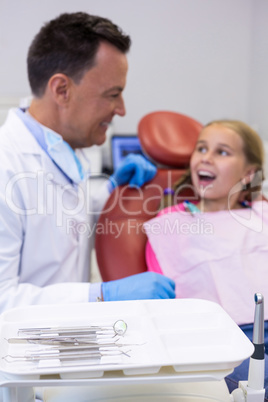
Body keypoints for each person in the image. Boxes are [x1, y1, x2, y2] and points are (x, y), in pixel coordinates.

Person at [0, 12, 176, 314]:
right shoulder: (8, 165)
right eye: (112, 95)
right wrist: (102, 295)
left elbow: (61, 221)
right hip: (19, 354)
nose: (121, 110)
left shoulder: (67, 148)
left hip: (70, 338)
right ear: (62, 90)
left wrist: (109, 189)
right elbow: (3, 299)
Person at [144, 119, 268, 397]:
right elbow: (161, 298)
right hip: (224, 339)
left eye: (222, 152)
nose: (206, 158)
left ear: (248, 173)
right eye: (201, 148)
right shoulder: (170, 222)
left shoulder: (262, 214)